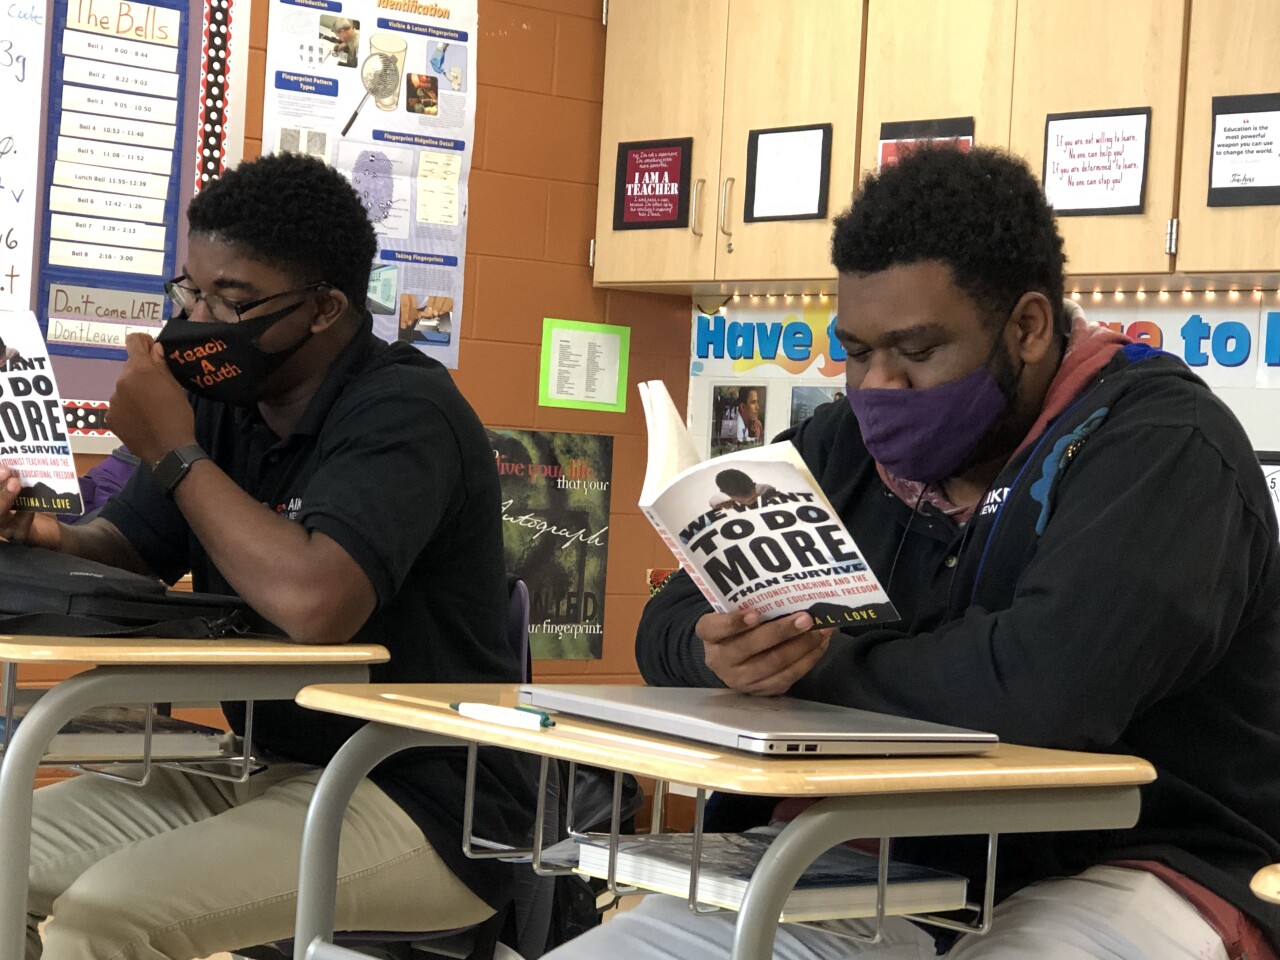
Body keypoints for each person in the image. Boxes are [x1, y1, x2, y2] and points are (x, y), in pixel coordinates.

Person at [545, 146, 1280, 959]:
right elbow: (669, 620)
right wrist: (720, 655)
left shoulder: (1163, 449)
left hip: (1133, 858)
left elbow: (1042, 695)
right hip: (879, 848)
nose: (878, 387)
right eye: (857, 352)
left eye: (918, 352)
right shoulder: (844, 444)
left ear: (1028, 328)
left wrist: (816, 666)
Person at [0, 152, 535, 960]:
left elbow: (316, 604)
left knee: (106, 919)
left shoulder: (406, 410)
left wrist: (175, 451)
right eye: (192, 290)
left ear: (324, 307)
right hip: (266, 766)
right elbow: (129, 549)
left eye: (233, 299)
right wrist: (51, 537)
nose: (202, 318)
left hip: (423, 798)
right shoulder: (227, 404)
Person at [708, 468, 777, 509]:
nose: (749, 502)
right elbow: (713, 503)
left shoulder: (765, 489)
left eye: (753, 498)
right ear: (727, 495)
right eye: (742, 501)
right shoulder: (719, 501)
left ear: (754, 485)